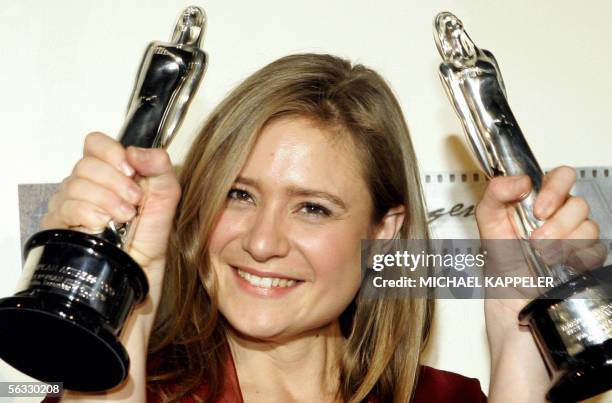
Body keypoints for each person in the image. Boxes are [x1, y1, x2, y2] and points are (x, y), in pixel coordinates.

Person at [41, 54, 598, 402]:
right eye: (239, 195)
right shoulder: (128, 390)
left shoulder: (446, 399)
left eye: (312, 208)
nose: (261, 242)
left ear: (384, 231)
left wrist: (518, 332)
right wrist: (122, 300)